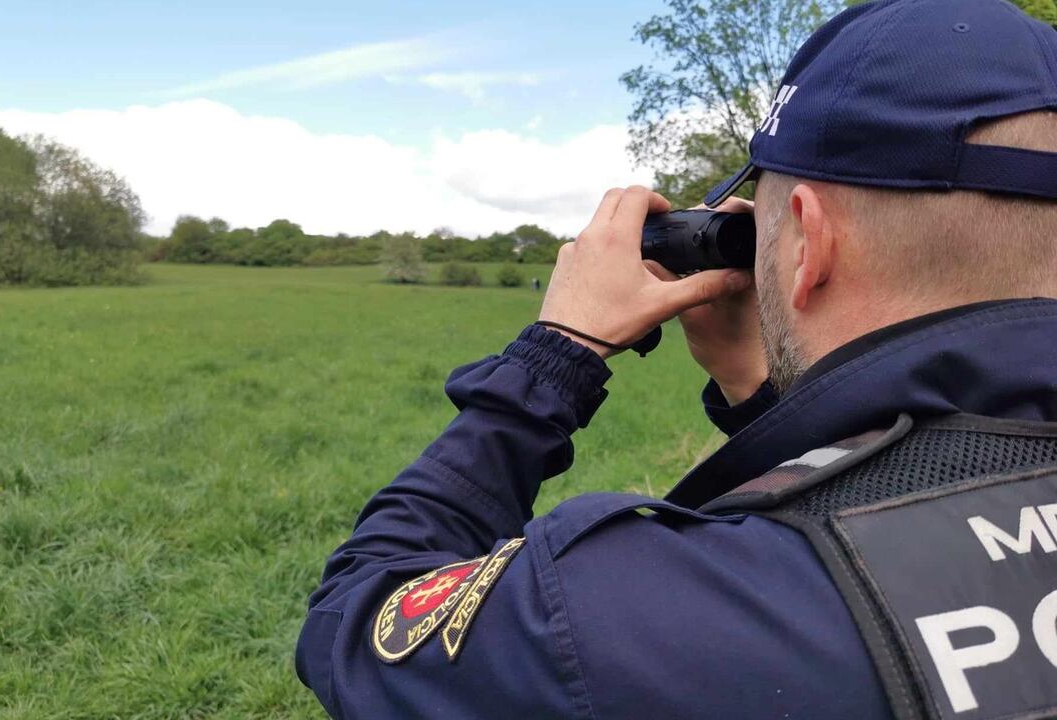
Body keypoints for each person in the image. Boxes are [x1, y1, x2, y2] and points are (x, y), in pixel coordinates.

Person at [297, 1, 1057, 717]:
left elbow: (355, 625)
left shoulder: (639, 615)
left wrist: (556, 354)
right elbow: (925, 475)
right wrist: (760, 394)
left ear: (808, 240)